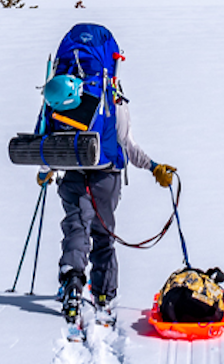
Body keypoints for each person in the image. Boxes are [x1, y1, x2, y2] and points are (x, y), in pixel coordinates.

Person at [38, 23, 176, 321]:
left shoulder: (61, 90)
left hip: (72, 168)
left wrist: (45, 168)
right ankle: (103, 292)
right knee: (103, 232)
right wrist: (152, 166)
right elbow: (125, 142)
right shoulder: (112, 97)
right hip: (106, 174)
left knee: (76, 226)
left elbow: (48, 133)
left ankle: (72, 280)